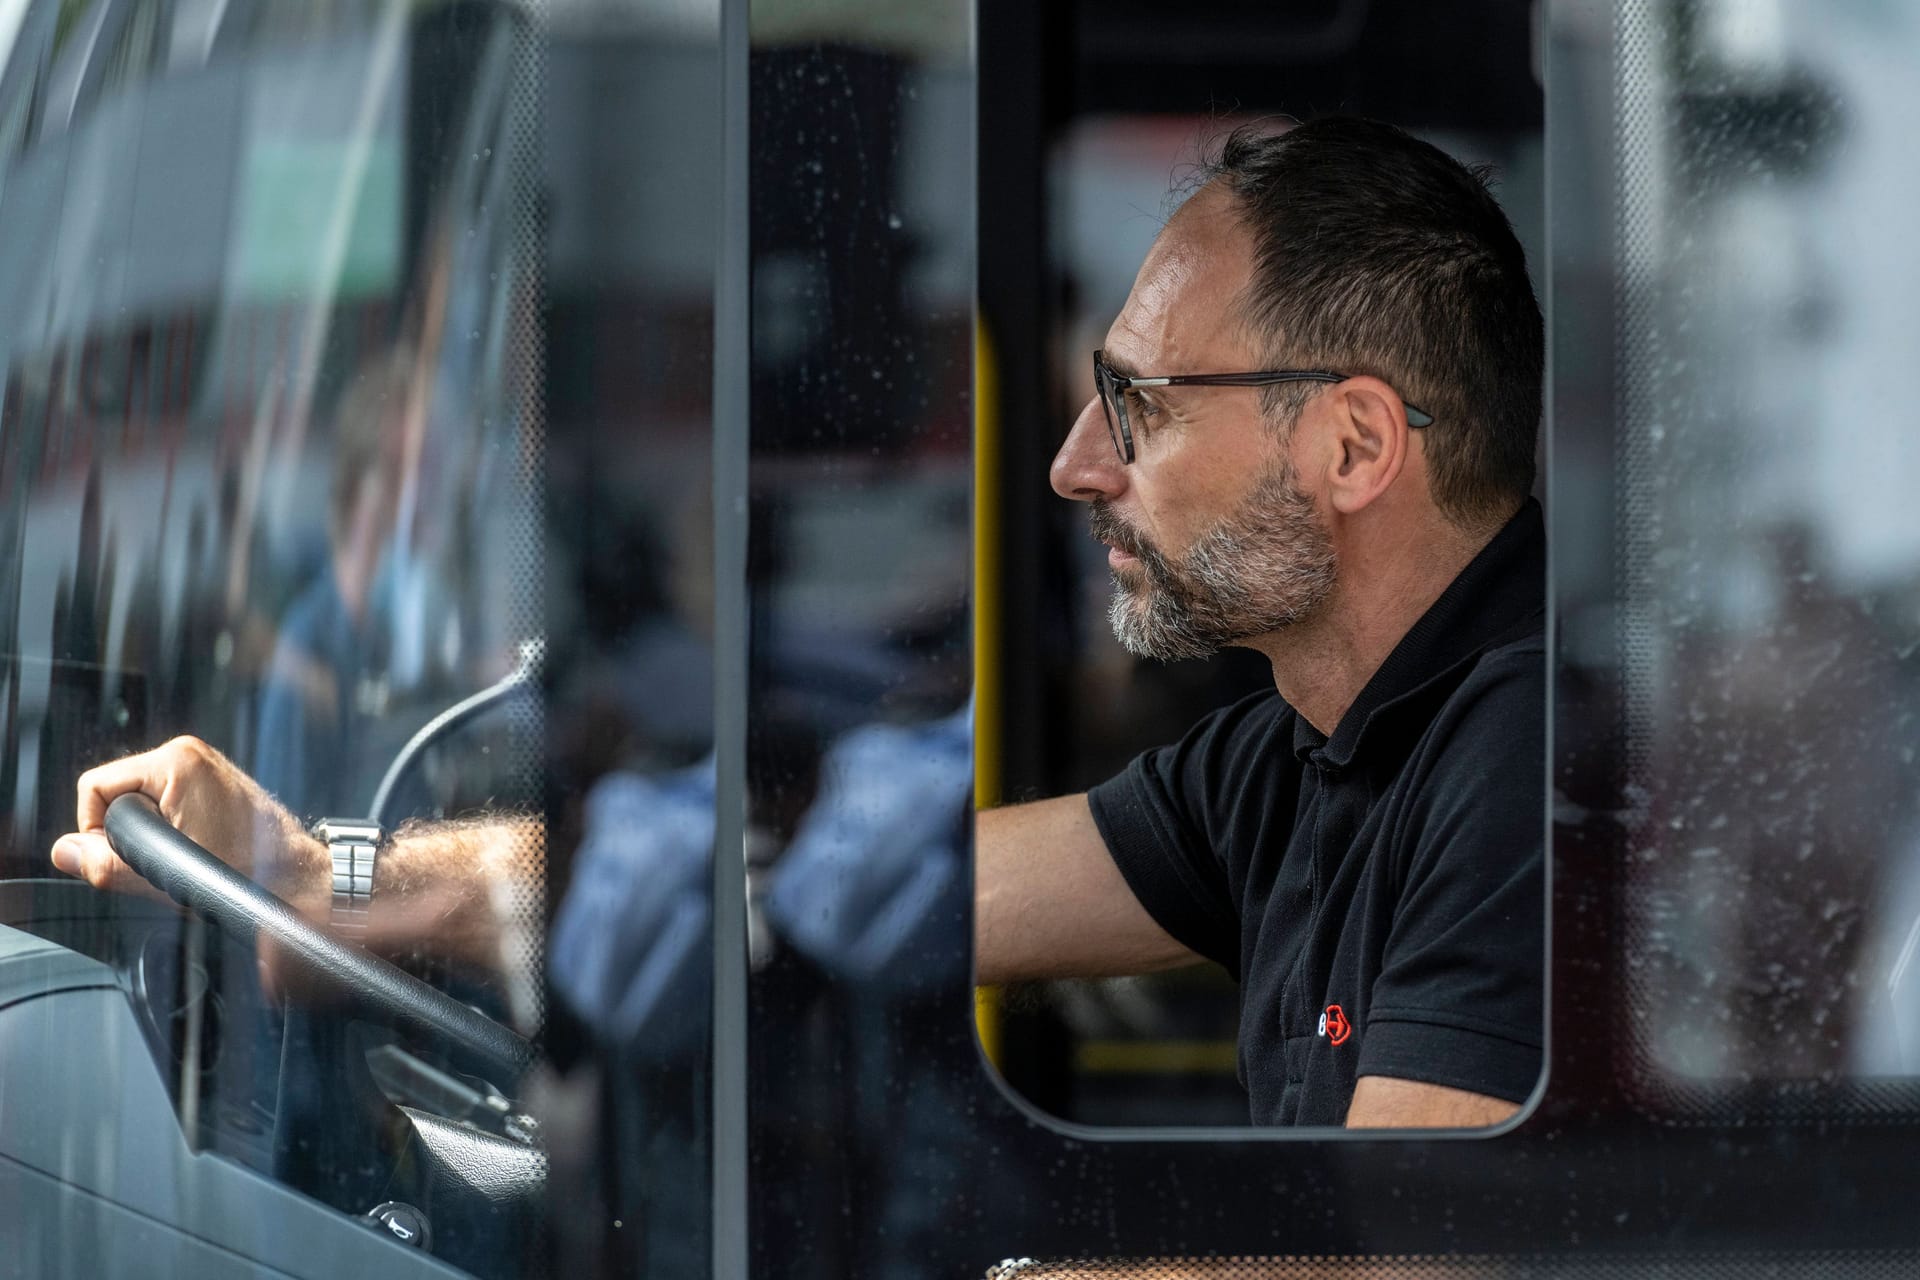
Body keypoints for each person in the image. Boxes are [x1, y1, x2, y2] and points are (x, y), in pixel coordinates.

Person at [48, 115, 1544, 1127]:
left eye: (1139, 404)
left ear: (1353, 449)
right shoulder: (1289, 763)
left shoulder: (1520, 778)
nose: (1075, 463)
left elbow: (1375, 1264)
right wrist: (322, 878)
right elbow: (777, 883)